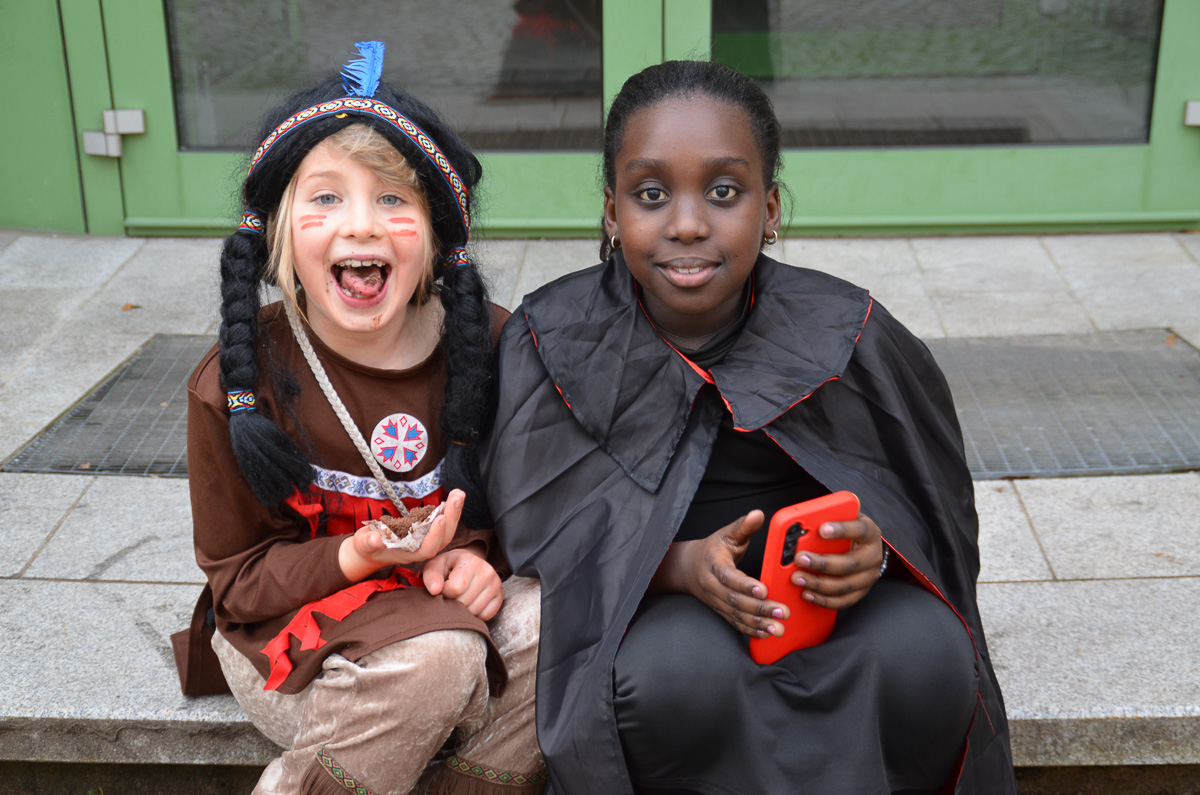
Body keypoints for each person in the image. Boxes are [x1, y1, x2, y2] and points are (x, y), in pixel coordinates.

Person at [483, 60, 1017, 794]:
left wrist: (875, 554)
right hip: (660, 608)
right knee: (676, 672)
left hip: (825, 602)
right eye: (651, 194)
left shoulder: (847, 330)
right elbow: (533, 534)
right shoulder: (554, 338)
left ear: (769, 209)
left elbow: (928, 511)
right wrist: (677, 566)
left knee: (926, 651)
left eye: (724, 192)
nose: (688, 223)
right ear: (611, 212)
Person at [176, 42, 545, 795]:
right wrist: (357, 555)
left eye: (393, 199)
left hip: (443, 606)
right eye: (325, 198)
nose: (361, 225)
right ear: (276, 230)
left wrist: (478, 555)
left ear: (437, 233)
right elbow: (239, 582)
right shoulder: (236, 383)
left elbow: (538, 510)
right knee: (438, 658)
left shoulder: (497, 348)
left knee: (573, 614)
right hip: (299, 632)